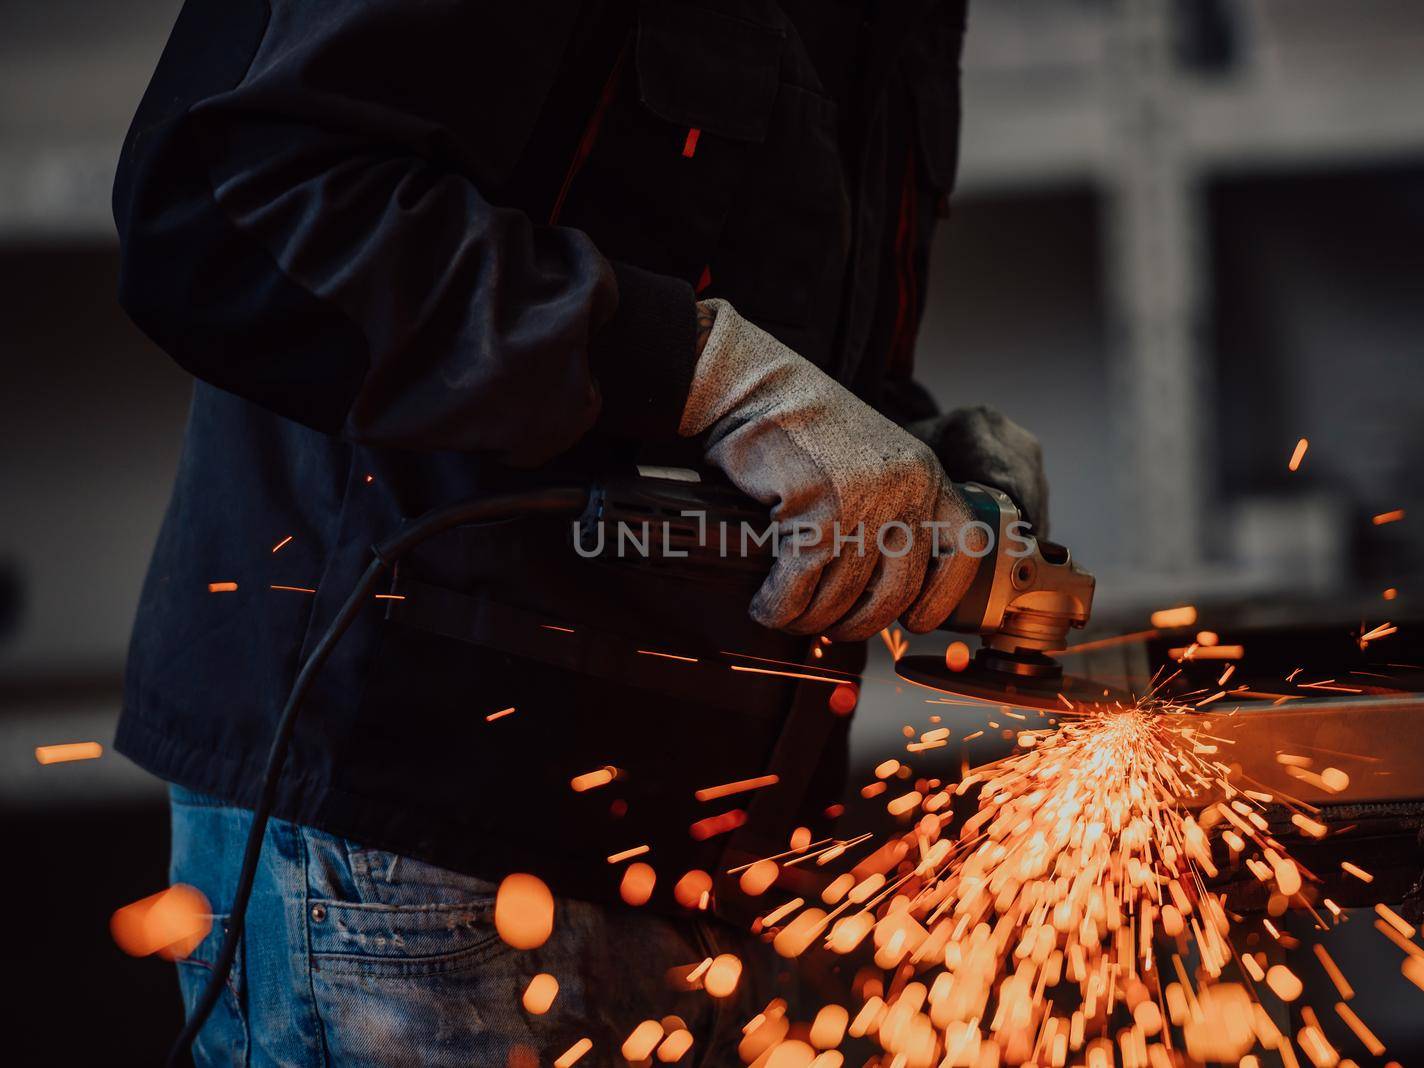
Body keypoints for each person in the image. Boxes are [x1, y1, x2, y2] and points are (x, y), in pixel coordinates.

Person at [112, 0, 1048, 1062]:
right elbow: (235, 212)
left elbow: (747, 293)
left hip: (715, 850)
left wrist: (903, 458)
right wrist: (702, 371)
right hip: (413, 859)